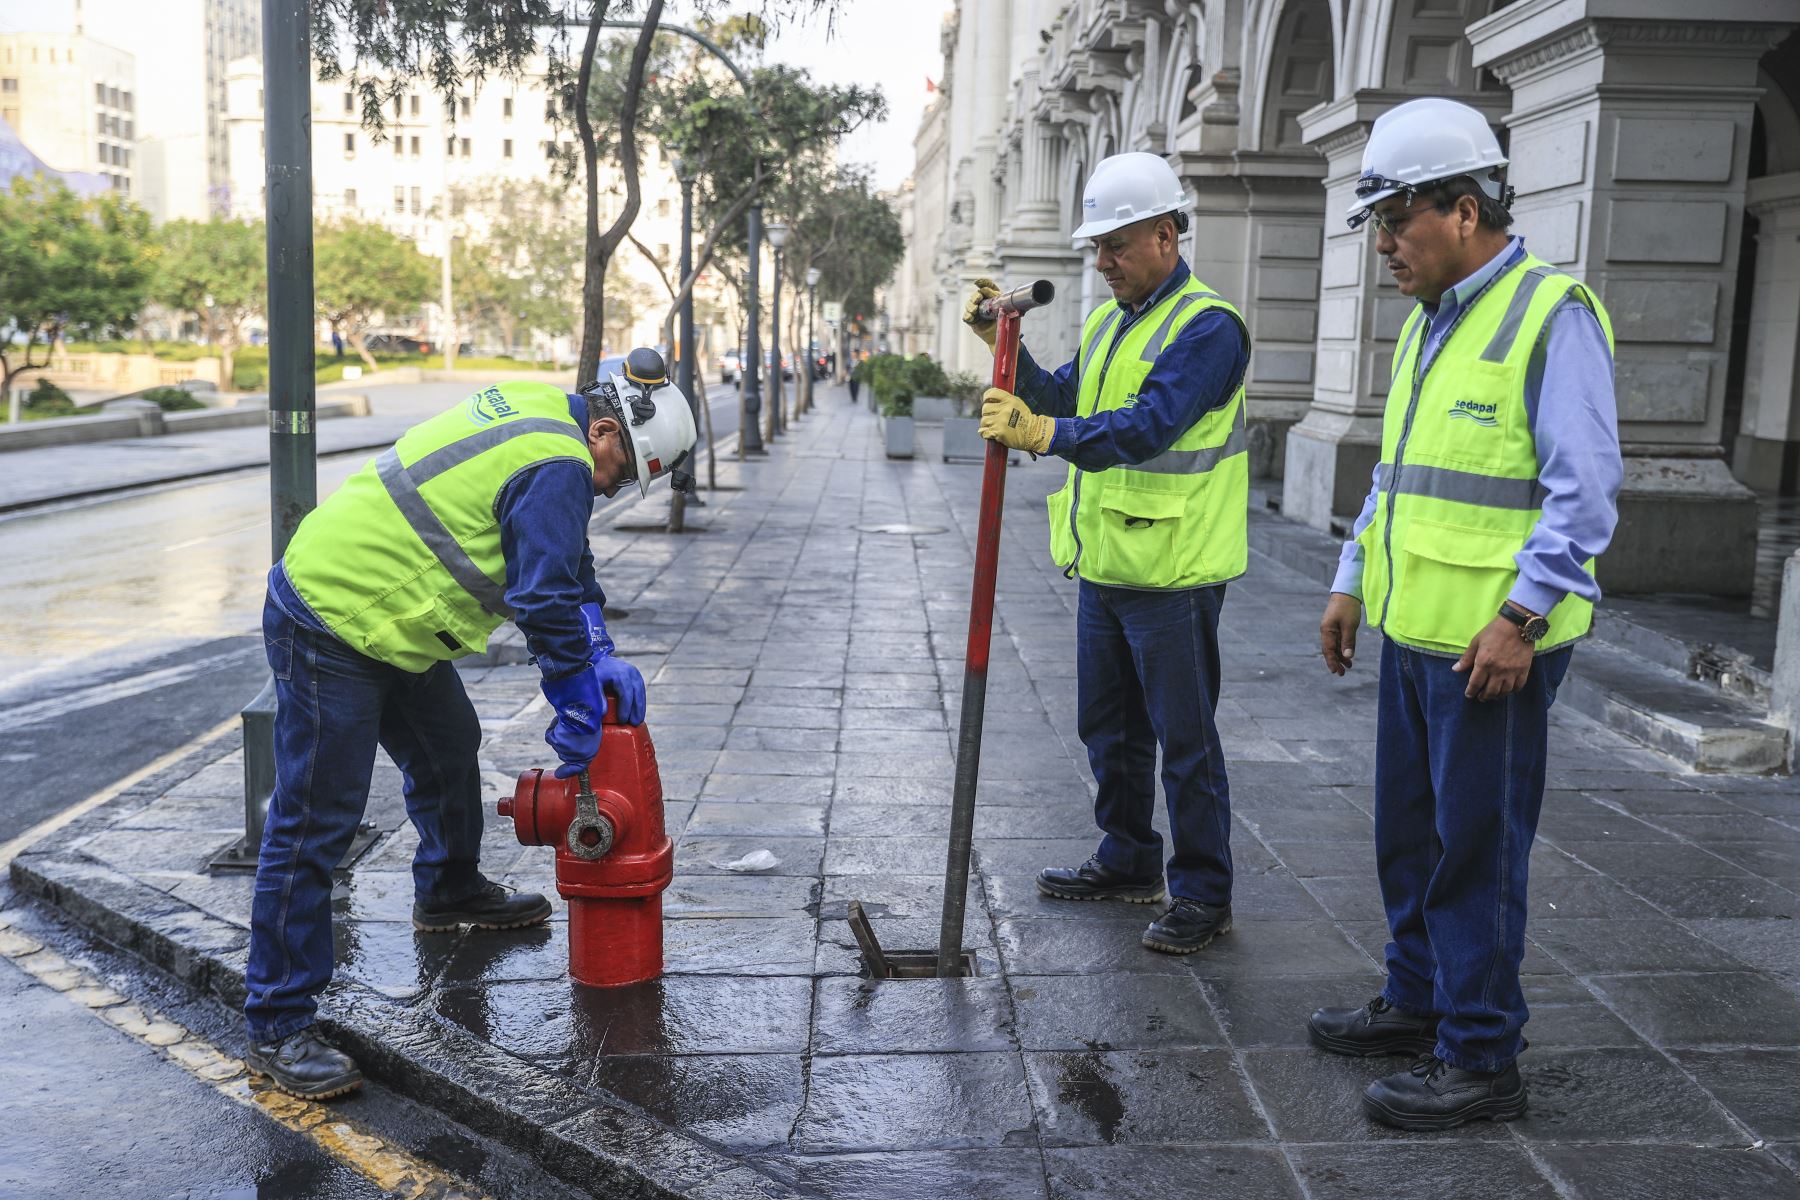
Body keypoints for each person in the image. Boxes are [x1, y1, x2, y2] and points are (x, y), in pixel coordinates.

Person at [243, 348, 698, 1100]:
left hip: (392, 617)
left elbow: (564, 553)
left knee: (449, 748)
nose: (612, 487)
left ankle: (449, 889)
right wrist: (577, 694)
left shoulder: (543, 412)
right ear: (607, 432)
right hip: (333, 617)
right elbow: (543, 592)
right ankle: (278, 1021)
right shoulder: (560, 462)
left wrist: (600, 647)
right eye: (622, 474)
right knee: (315, 820)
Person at [1307, 97, 1622, 1132]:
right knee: (1409, 836)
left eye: (1398, 220)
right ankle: (1416, 1002)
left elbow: (1585, 493)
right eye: (1380, 224)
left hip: (1493, 649)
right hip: (1415, 631)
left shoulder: (1550, 313)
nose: (1386, 245)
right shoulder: (1430, 327)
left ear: (1466, 210)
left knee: (1474, 852)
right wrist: (1355, 573)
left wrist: (1524, 618)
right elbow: (1398, 475)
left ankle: (1482, 1054)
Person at [965, 152, 1251, 956]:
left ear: (1166, 234)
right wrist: (1006, 348)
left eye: (1116, 244)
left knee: (1185, 741)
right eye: (1096, 247)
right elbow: (1059, 397)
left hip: (1176, 571)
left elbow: (1148, 424)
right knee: (1109, 731)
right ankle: (1127, 857)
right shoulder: (1111, 321)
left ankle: (1203, 891)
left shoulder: (1207, 328)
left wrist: (1045, 436)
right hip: (1107, 564)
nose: (1101, 262)